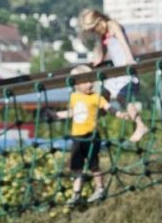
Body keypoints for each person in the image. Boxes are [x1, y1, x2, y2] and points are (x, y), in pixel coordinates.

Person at [53, 65, 132, 205]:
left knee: (93, 165)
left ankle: (100, 188)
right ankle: (76, 194)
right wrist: (56, 115)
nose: (89, 84)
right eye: (84, 82)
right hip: (77, 137)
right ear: (76, 84)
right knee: (77, 167)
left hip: (91, 136)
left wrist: (120, 114)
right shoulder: (74, 97)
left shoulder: (97, 97)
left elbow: (109, 108)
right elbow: (72, 113)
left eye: (91, 81)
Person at [78, 8, 147, 143]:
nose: (96, 31)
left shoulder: (112, 25)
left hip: (126, 69)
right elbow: (104, 48)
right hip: (118, 72)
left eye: (95, 28)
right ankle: (100, 117)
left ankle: (140, 125)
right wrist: (99, 59)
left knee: (123, 97)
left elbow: (122, 41)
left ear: (100, 21)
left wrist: (129, 58)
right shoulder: (104, 33)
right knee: (104, 93)